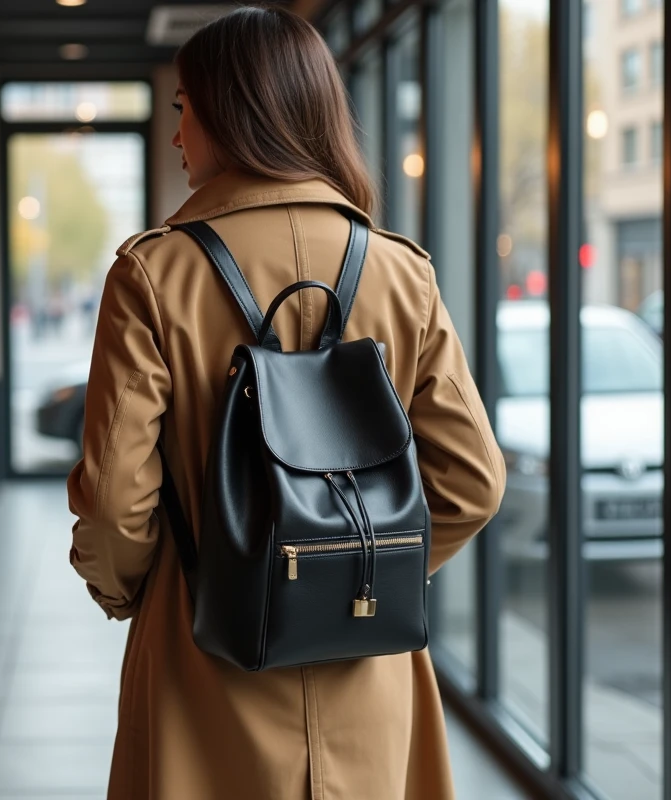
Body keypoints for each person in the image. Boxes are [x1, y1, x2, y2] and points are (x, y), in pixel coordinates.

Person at [67, 7, 505, 799]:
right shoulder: (402, 272)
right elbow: (474, 481)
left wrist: (127, 590)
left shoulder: (153, 276)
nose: (176, 136)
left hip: (203, 670)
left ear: (234, 115)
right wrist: (354, 569)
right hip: (369, 676)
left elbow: (110, 506)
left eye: (182, 110)